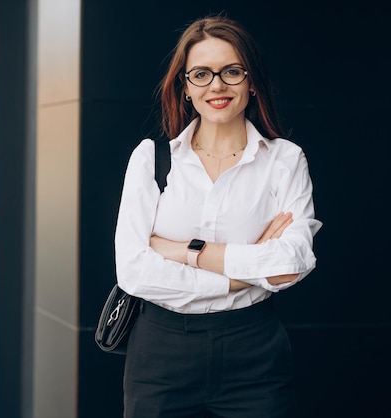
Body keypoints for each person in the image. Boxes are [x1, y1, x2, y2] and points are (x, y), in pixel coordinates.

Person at [114, 14, 322, 418]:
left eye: (231, 71)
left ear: (252, 82)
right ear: (185, 87)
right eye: (201, 74)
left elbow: (293, 262)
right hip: (161, 351)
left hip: (254, 350)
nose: (217, 85)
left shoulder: (285, 160)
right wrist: (243, 273)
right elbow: (134, 271)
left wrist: (188, 251)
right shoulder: (151, 159)